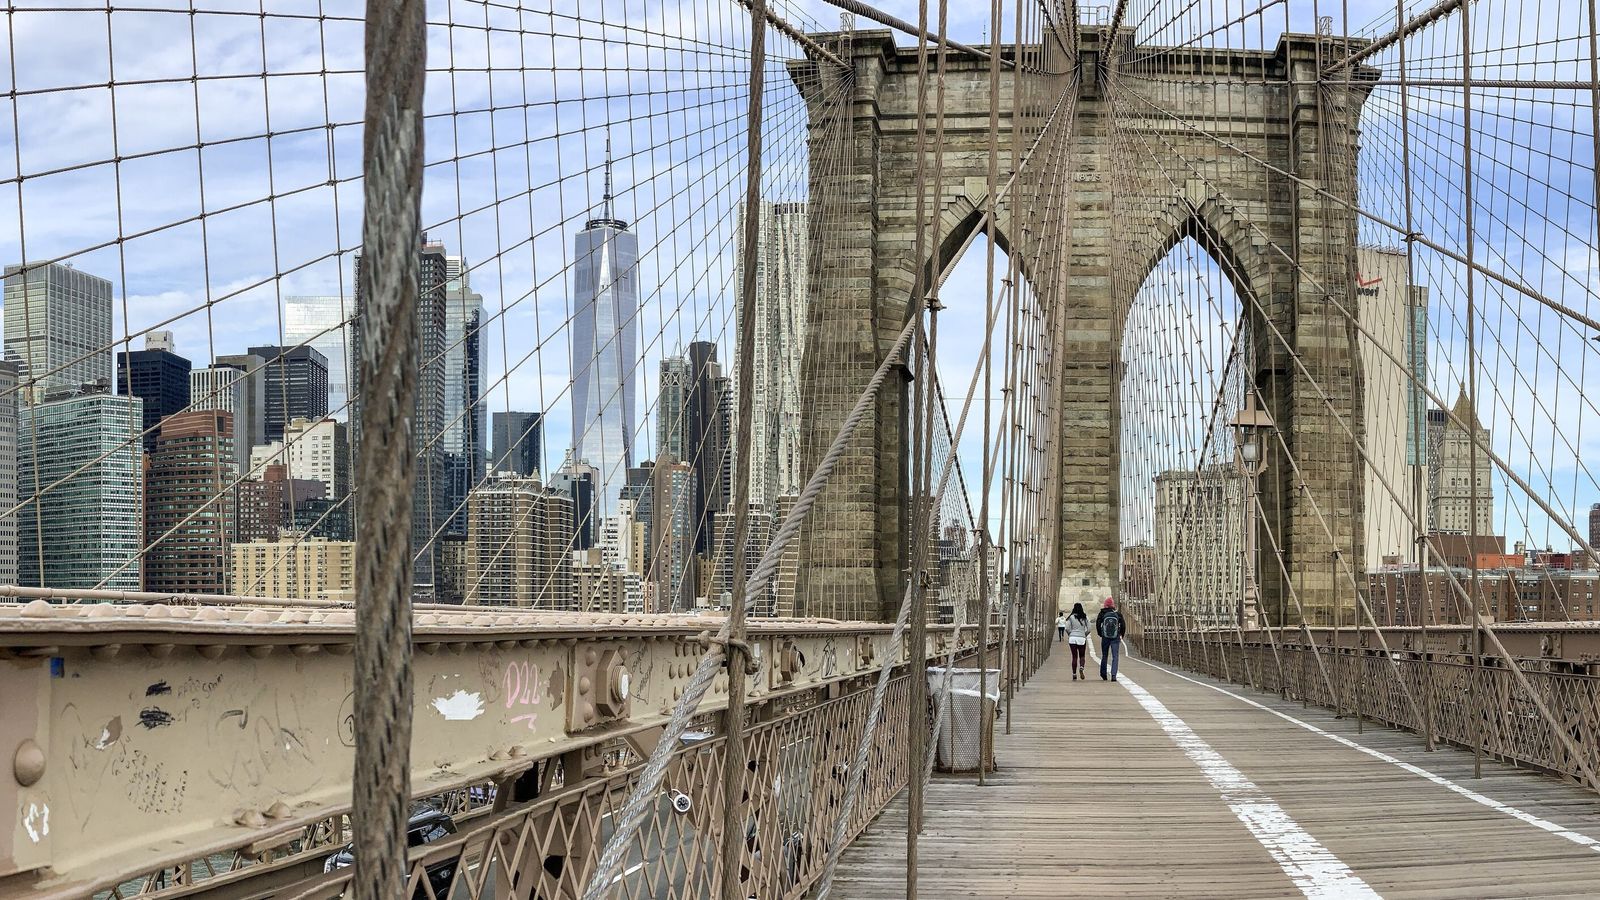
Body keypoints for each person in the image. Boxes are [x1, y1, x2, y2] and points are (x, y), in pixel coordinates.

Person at [1096, 597, 1125, 682]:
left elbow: (1098, 624)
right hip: (1115, 637)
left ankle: (1104, 674)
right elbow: (1123, 625)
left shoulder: (1102, 613)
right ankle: (1113, 675)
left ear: (1105, 605)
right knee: (1115, 656)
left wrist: (1101, 634)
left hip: (1105, 637)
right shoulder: (1117, 614)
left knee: (1104, 655)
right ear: (1113, 605)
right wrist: (1121, 634)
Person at [1065, 603, 1090, 679]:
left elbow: (1067, 628)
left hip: (1072, 638)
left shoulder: (1071, 617)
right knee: (1082, 656)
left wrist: (1070, 634)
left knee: (1074, 656)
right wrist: (1084, 634)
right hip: (1081, 638)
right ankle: (1081, 667)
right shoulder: (1085, 617)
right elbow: (1089, 629)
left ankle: (1074, 674)